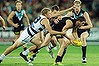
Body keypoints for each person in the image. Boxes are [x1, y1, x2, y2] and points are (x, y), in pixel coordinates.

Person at [0, 7, 66, 63]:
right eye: (49, 13)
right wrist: (61, 33)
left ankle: (24, 53)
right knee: (14, 47)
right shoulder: (45, 20)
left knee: (41, 45)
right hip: (27, 35)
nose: (51, 14)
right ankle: (1, 57)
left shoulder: (42, 16)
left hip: (30, 34)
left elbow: (55, 15)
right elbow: (51, 32)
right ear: (45, 14)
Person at [55, 0, 93, 65]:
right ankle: (59, 60)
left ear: (80, 7)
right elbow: (64, 17)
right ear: (73, 7)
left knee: (83, 38)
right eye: (75, 7)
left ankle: (84, 57)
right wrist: (58, 18)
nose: (76, 8)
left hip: (84, 30)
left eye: (78, 6)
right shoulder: (71, 13)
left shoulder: (84, 13)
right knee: (66, 42)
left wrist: (81, 27)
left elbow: (90, 25)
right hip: (75, 31)